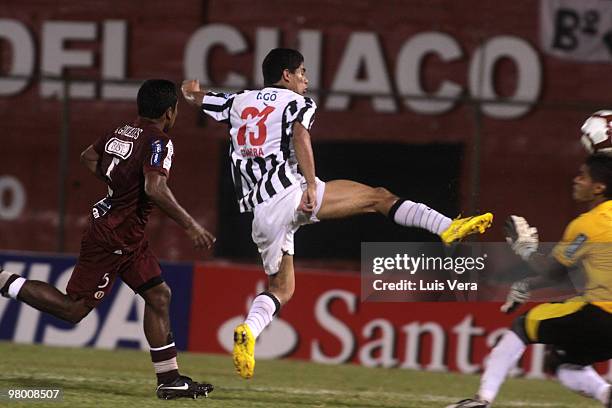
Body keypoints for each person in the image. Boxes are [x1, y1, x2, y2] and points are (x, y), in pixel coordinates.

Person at [181, 48, 493, 380]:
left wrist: (190, 87)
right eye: (301, 71)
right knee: (379, 198)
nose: (306, 79)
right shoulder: (298, 103)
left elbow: (192, 95)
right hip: (294, 193)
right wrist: (313, 188)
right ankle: (447, 227)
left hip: (261, 213)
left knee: (282, 288)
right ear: (286, 75)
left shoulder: (237, 102)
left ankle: (248, 330)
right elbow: (301, 134)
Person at [0, 79, 215, 400]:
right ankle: (3, 281)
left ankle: (169, 380)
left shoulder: (121, 130)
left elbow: (88, 156)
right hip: (114, 236)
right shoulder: (159, 141)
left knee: (159, 296)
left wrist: (117, 184)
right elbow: (155, 188)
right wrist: (190, 225)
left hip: (128, 235)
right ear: (170, 112)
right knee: (73, 310)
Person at [447, 153, 612, 408]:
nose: (576, 180)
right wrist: (526, 285)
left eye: (584, 176)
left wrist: (525, 249)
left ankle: (482, 400)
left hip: (603, 314)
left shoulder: (589, 225)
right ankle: (606, 395)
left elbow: (555, 272)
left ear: (599, 187)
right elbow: (575, 274)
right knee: (562, 360)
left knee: (523, 326)